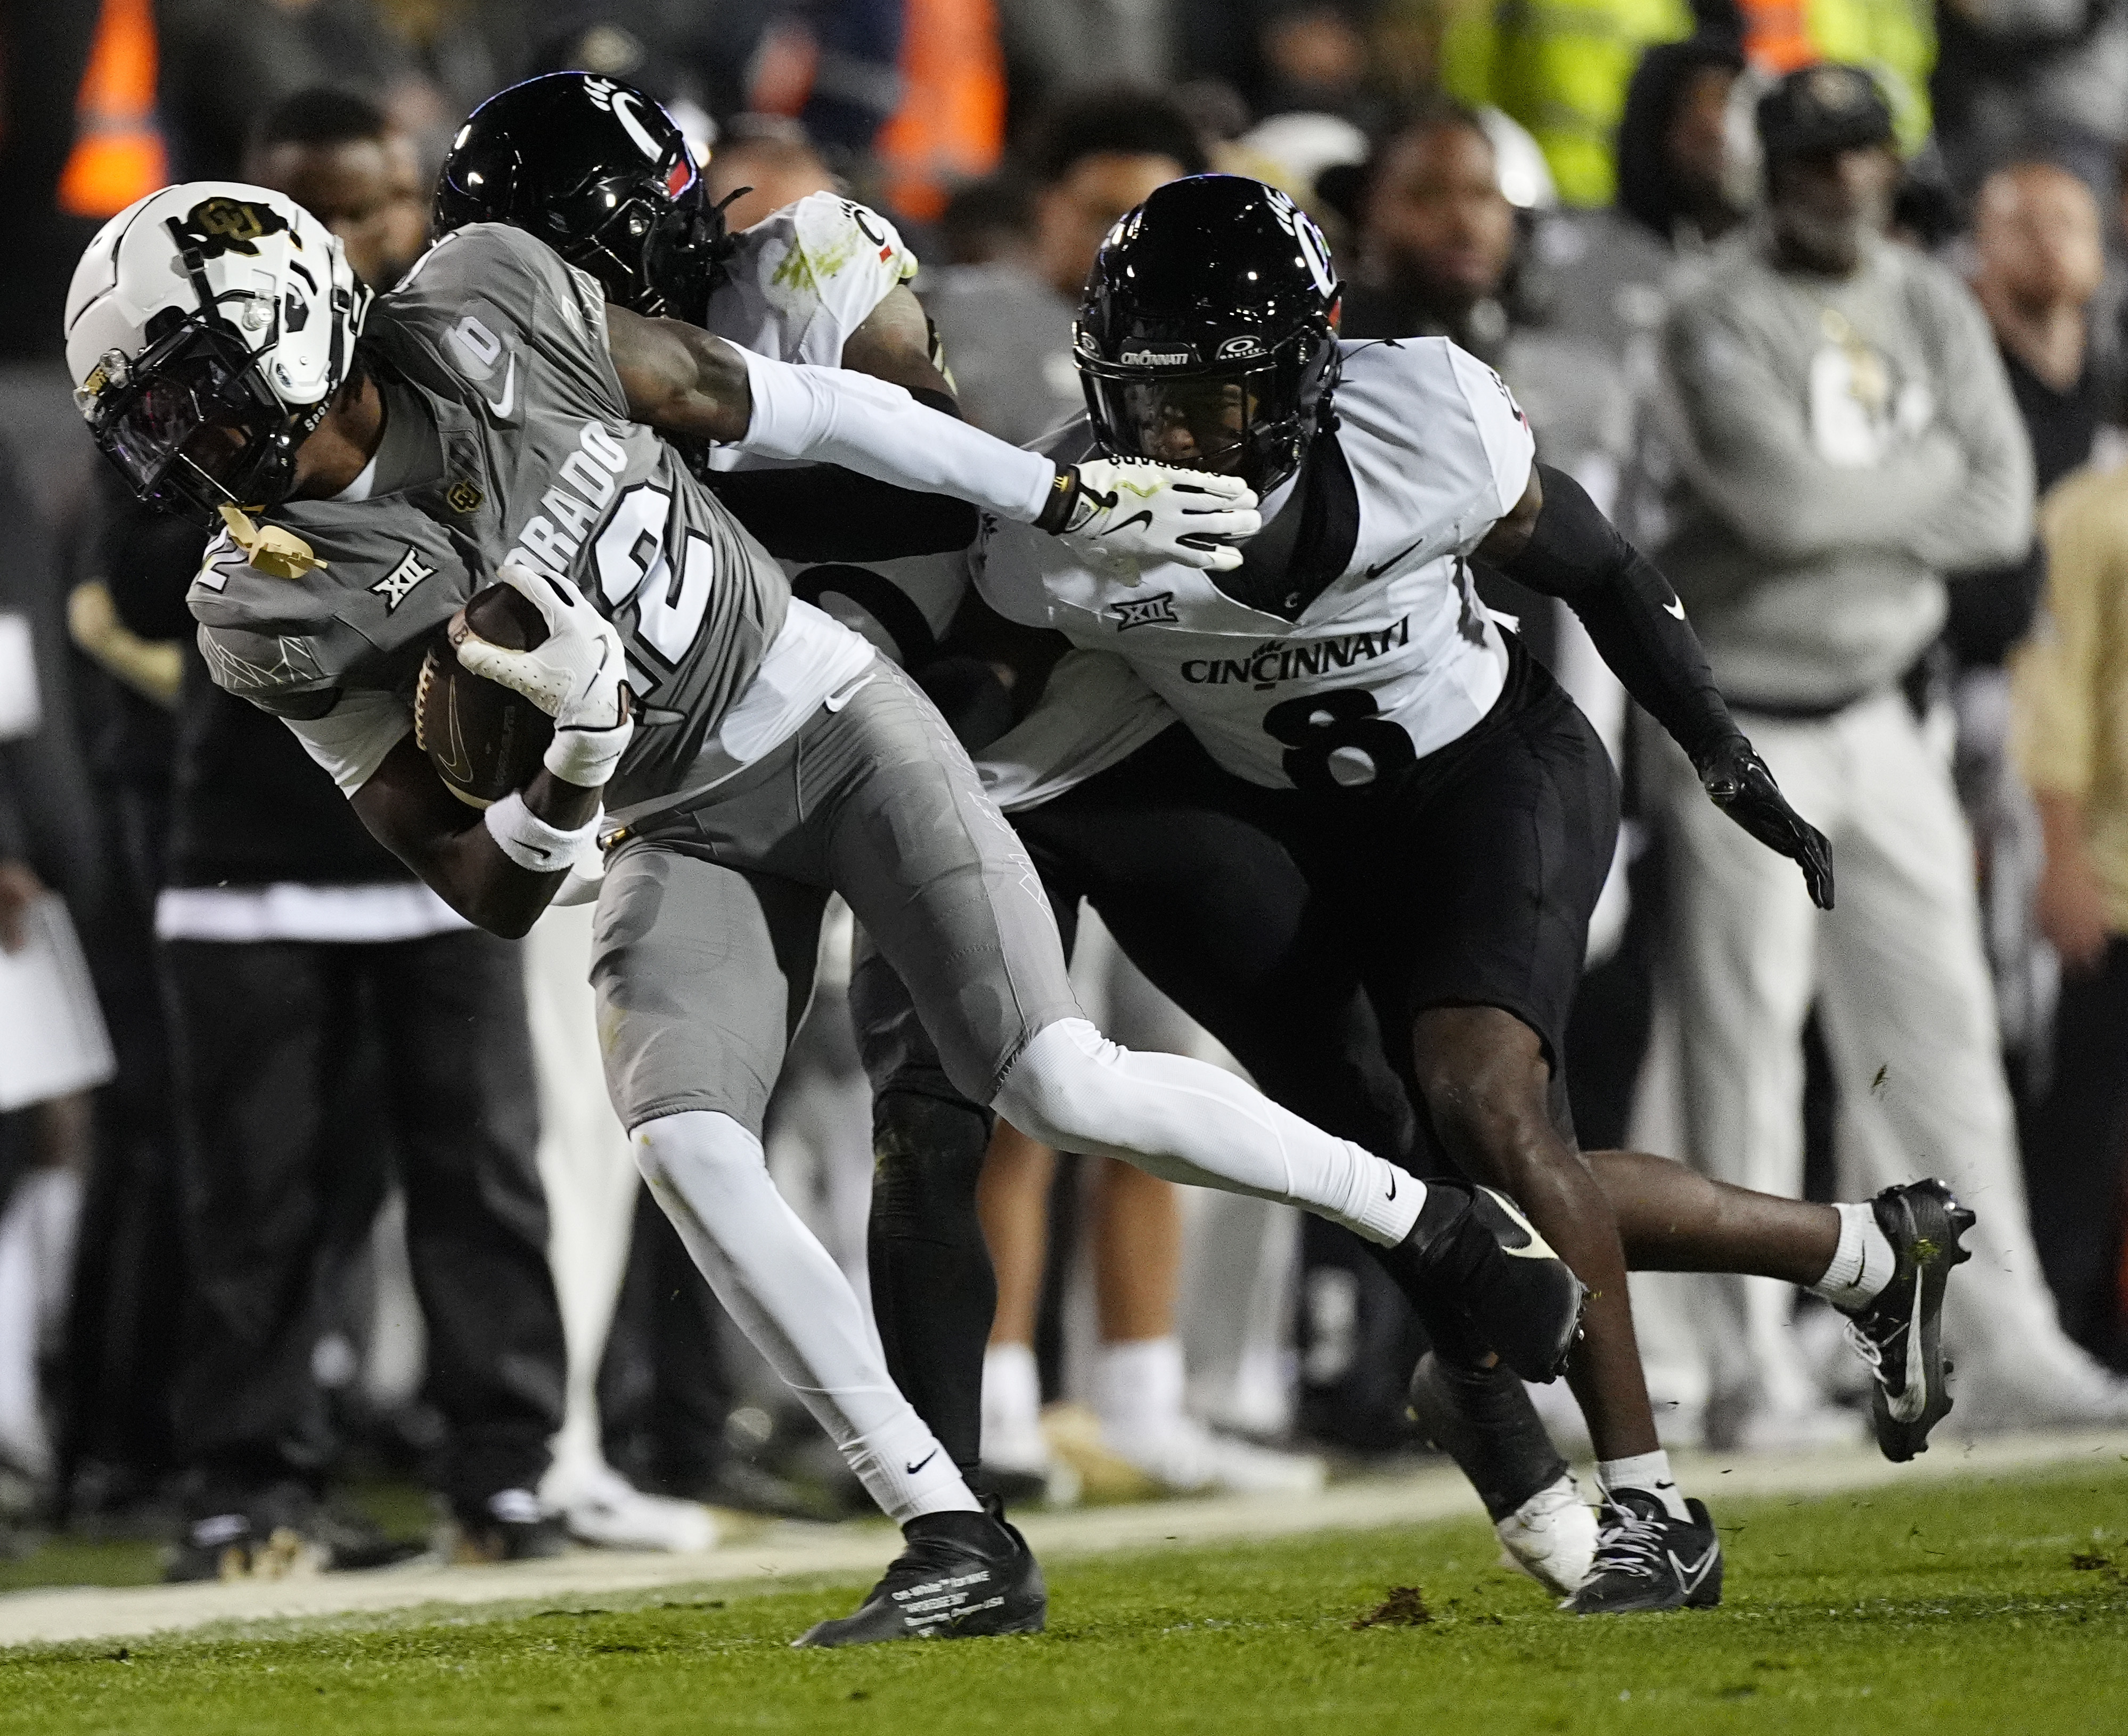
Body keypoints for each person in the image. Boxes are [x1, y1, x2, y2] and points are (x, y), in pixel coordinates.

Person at [66, 177, 1583, 1644]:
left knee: (1053, 1078)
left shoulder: (486, 298)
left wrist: (1048, 486)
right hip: (671, 816)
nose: (180, 446)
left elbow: (783, 406)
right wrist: (574, 765)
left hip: (829, 712)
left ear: (291, 324)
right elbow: (490, 886)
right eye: (149, 420)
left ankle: (1435, 1225)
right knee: (684, 1142)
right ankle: (950, 1530)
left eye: (188, 394)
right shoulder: (258, 601)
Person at [856, 170, 1978, 1616]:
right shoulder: (1060, 512)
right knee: (1441, 1183)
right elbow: (979, 700)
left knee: (1483, 1101)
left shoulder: (1423, 417)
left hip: (1488, 773)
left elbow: (1605, 568)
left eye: (1220, 395)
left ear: (1311, 373)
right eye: (1153, 400)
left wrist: (1720, 754)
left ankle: (1650, 1505)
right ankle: (1866, 1249)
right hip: (1305, 823)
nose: (1182, 436)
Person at [114, 86, 572, 1578]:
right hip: (252, 859)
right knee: (256, 1203)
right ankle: (247, 1488)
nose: (362, 232)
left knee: (482, 1176)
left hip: (441, 851)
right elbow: (136, 583)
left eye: (381, 203)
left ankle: (503, 1475)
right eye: (324, 205)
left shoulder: (445, 370)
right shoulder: (180, 393)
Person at [1650, 63, 2128, 1436]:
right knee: (1740, 1054)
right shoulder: (1708, 308)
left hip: (1884, 710)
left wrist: (1866, 500)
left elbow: (2000, 515)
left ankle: (2004, 1341)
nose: (1842, 178)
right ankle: (1743, 1361)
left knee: (1944, 1040)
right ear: (1769, 167)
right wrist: (1910, 485)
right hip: (1741, 726)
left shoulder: (1923, 295)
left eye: (1862, 151)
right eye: (1815, 155)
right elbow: (1781, 504)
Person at [2014, 460, 2128, 1365]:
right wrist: (2062, 860)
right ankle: (2053, 1331)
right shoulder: (2088, 515)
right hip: (2115, 879)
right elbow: (2053, 698)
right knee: (2082, 1134)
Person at [921, 88, 1209, 446]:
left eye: (1153, 225)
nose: (1128, 244)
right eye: (1104, 216)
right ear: (1046, 204)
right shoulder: (952, 313)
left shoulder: (1210, 337)